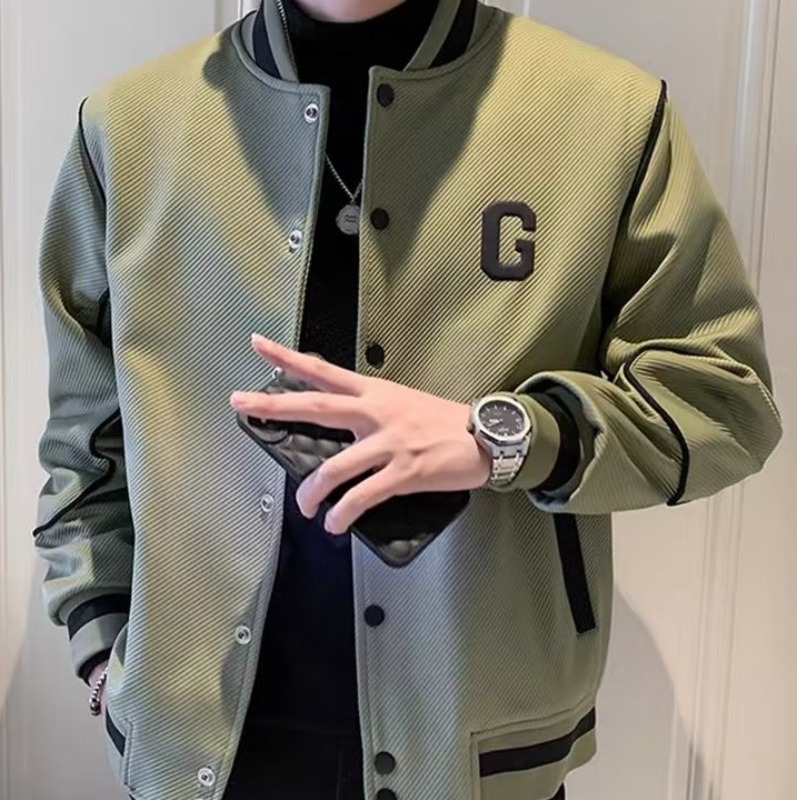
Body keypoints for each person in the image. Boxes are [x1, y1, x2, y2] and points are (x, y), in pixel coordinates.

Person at [32, 0, 782, 798]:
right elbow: (86, 439)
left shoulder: (607, 116)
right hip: (198, 749)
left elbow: (722, 400)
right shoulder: (128, 129)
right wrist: (99, 640)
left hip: (477, 747)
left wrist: (505, 437)